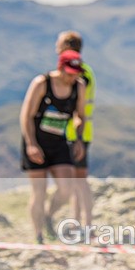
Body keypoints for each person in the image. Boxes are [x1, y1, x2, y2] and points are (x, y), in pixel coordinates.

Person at [20, 49, 86, 244]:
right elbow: (26, 115)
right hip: (37, 141)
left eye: (76, 74)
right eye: (69, 74)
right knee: (39, 191)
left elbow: (80, 115)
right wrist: (31, 144)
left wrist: (79, 138)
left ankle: (49, 215)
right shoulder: (41, 83)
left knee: (66, 188)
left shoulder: (79, 87)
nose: (72, 78)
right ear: (60, 68)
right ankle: (38, 234)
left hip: (59, 142)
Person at [56, 31, 96, 237]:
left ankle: (85, 225)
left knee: (79, 180)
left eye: (59, 43)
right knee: (76, 181)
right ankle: (77, 222)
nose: (56, 47)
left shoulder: (81, 72)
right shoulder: (85, 70)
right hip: (75, 132)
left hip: (76, 133)